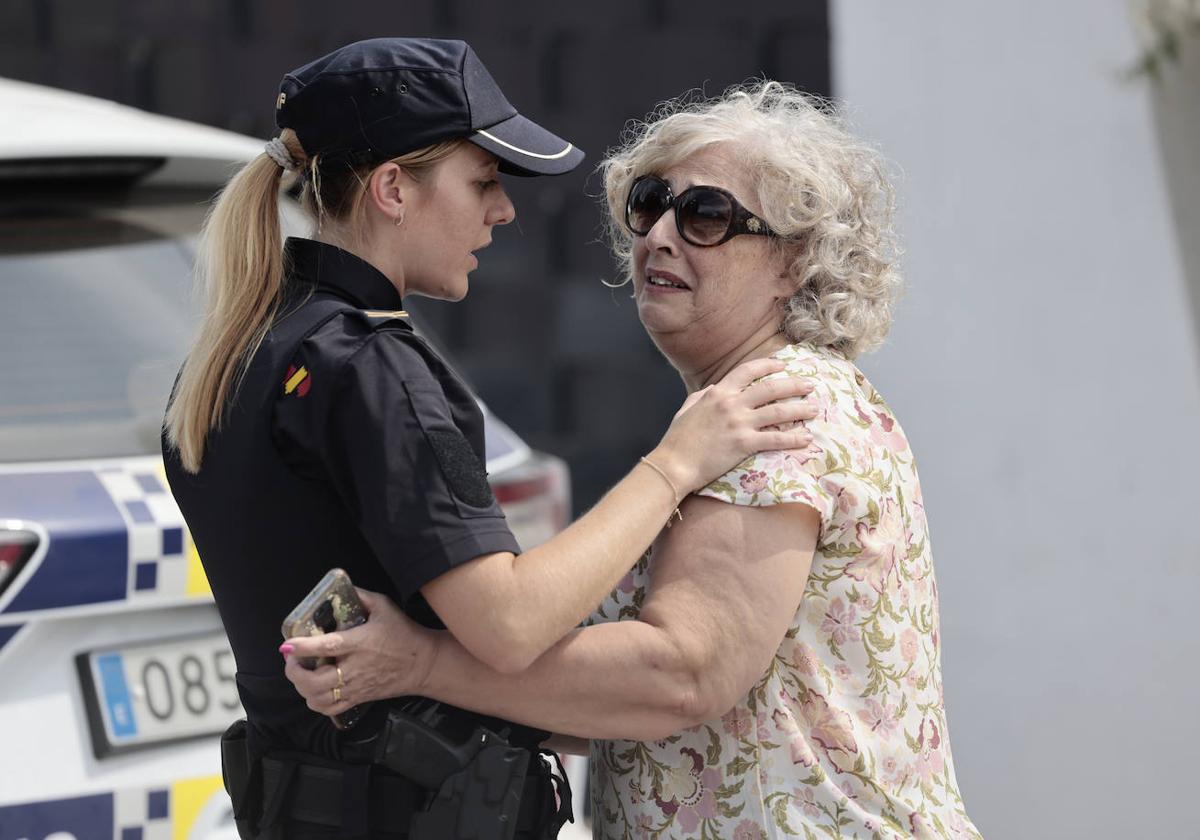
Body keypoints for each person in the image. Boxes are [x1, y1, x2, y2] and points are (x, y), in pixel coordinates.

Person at [285, 81, 985, 839]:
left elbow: (680, 675)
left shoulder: (781, 408)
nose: (658, 235)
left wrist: (421, 663)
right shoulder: (726, 415)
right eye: (650, 204)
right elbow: (631, 707)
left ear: (795, 261)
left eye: (707, 215)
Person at [162, 41, 817, 840]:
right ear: (394, 189)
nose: (503, 211)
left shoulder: (248, 346)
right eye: (482, 182)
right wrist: (675, 463)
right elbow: (506, 625)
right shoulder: (372, 367)